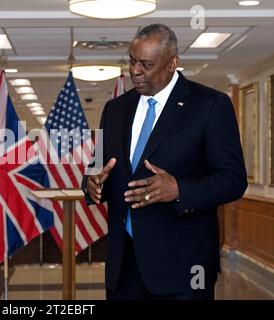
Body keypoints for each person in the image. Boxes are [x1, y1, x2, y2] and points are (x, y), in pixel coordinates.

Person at [82, 24, 247, 300]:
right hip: (123, 270)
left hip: (184, 268)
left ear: (173, 63)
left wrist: (179, 189)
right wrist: (92, 183)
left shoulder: (210, 105)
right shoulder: (114, 109)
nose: (135, 71)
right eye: (132, 61)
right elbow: (96, 164)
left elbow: (233, 180)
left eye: (145, 64)